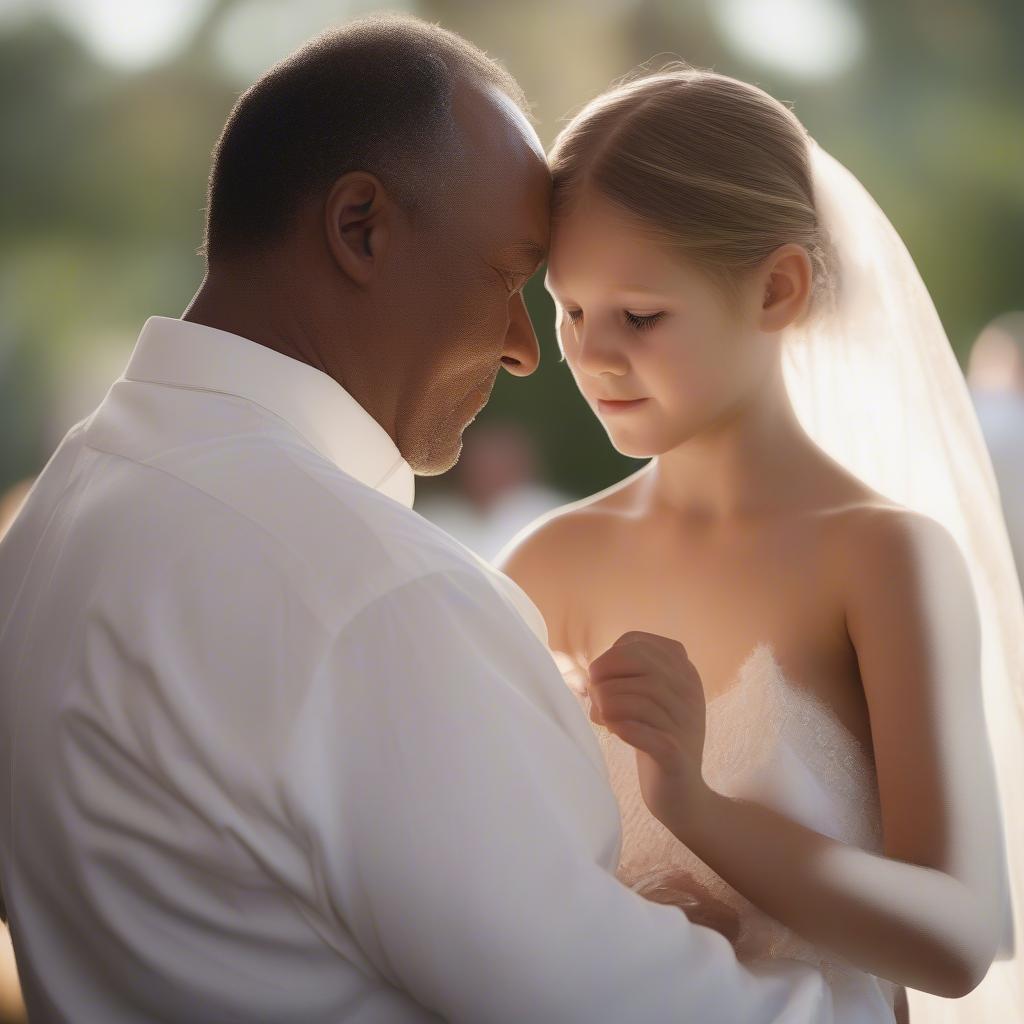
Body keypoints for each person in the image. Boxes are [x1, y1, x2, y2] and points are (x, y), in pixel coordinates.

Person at [0, 16, 886, 1023]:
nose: (524, 348)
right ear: (360, 228)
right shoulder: (368, 590)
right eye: (508, 277)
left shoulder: (54, 522)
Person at [496, 65, 1024, 1024]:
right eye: (570, 309)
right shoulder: (546, 564)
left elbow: (958, 936)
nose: (592, 353)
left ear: (777, 289)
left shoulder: (882, 561)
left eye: (641, 316)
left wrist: (696, 808)